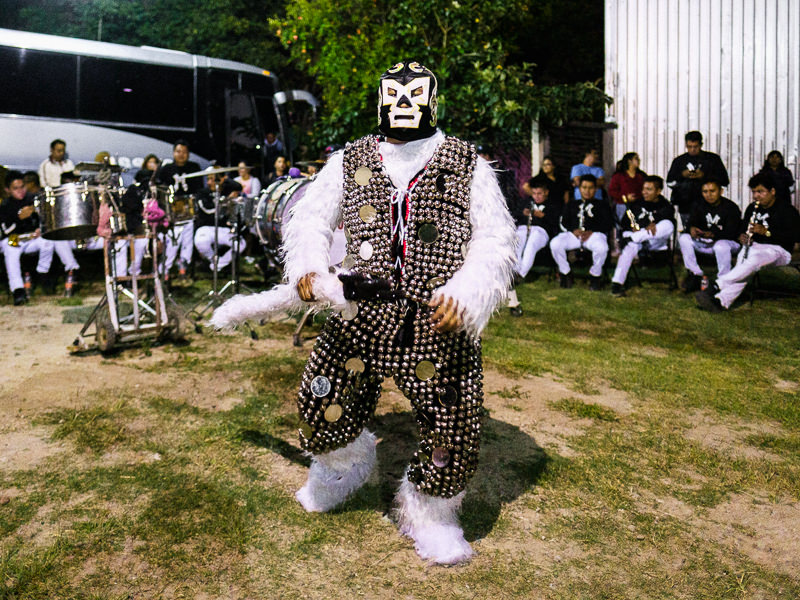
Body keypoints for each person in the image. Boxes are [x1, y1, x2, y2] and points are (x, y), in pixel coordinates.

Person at [209, 60, 516, 565]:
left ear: (432, 101)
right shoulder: (350, 160)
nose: (403, 104)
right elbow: (310, 217)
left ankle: (433, 514)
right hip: (358, 313)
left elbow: (495, 238)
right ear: (379, 99)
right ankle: (342, 465)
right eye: (394, 93)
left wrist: (467, 293)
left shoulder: (467, 163)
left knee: (453, 424)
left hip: (434, 321)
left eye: (414, 94)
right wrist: (308, 265)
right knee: (320, 401)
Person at [695, 172, 800, 312]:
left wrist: (767, 232)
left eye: (761, 192)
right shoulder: (752, 208)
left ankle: (716, 285)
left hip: (779, 250)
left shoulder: (787, 210)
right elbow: (742, 229)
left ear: (772, 191)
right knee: (744, 266)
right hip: (754, 246)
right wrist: (742, 236)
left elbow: (795, 236)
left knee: (752, 261)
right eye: (754, 192)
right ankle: (721, 302)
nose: (756, 196)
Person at [609, 175, 675, 296]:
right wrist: (636, 228)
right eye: (643, 189)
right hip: (637, 241)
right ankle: (617, 283)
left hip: (655, 242)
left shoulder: (666, 206)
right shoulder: (636, 204)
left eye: (649, 189)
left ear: (658, 191)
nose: (644, 192)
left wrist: (648, 227)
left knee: (668, 225)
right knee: (629, 247)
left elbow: (664, 226)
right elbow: (625, 224)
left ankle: (634, 238)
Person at [550, 174, 613, 290]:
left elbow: (608, 224)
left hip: (594, 236)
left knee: (602, 248)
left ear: (595, 189)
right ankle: (566, 273)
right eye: (584, 187)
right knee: (555, 244)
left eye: (590, 188)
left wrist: (592, 232)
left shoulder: (602, 204)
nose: (587, 191)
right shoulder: (572, 204)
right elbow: (563, 222)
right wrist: (573, 231)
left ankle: (595, 275)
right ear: (579, 189)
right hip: (574, 235)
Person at [1, 171, 56, 304]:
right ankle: (18, 290)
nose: (20, 191)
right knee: (11, 249)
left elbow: (43, 220)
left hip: (31, 238)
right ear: (8, 190)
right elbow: (5, 231)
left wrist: (39, 229)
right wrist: (19, 219)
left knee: (48, 241)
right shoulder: (5, 206)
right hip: (13, 238)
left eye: (22, 187)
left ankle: (42, 273)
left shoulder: (32, 199)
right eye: (16, 188)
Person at [506, 179, 560, 315]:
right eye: (534, 193)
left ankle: (521, 274)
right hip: (524, 228)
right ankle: (513, 271)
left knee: (531, 246)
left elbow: (555, 225)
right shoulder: (526, 202)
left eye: (540, 193)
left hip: (541, 231)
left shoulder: (552, 205)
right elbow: (514, 215)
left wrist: (543, 216)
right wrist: (522, 214)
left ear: (546, 193)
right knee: (517, 243)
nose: (536, 196)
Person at [678, 179, 741, 293]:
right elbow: (690, 224)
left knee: (721, 246)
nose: (709, 195)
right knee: (684, 238)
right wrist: (692, 229)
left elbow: (732, 232)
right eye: (705, 191)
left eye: (712, 191)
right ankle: (695, 274)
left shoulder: (731, 207)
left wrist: (714, 234)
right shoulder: (698, 205)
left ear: (721, 191)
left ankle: (723, 280)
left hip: (727, 242)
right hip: (706, 241)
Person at [155, 140, 202, 280]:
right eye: (178, 151)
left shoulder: (194, 167)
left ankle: (184, 262)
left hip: (188, 208)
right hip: (171, 210)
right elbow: (159, 188)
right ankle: (166, 267)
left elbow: (199, 189)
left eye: (185, 152)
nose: (181, 155)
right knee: (174, 238)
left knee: (188, 235)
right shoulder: (166, 169)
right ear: (174, 153)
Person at [667, 131, 730, 228]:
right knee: (689, 229)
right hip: (686, 203)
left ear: (701, 145)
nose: (692, 150)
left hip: (709, 203)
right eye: (689, 147)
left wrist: (704, 176)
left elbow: (724, 180)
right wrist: (682, 175)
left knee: (709, 229)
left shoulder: (712, 159)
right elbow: (669, 182)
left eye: (695, 147)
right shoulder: (679, 161)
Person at [194, 174, 245, 271]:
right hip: (206, 228)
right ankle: (213, 260)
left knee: (241, 243)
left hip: (223, 228)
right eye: (208, 179)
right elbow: (208, 209)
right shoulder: (202, 193)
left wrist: (225, 178)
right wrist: (226, 201)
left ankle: (218, 265)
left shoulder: (226, 191)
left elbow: (239, 187)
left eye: (212, 179)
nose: (209, 182)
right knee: (201, 242)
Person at [608, 152, 646, 230]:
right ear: (629, 161)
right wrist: (625, 197)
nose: (639, 160)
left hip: (638, 205)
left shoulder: (641, 175)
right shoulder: (619, 176)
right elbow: (612, 191)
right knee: (622, 227)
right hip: (622, 205)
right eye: (636, 159)